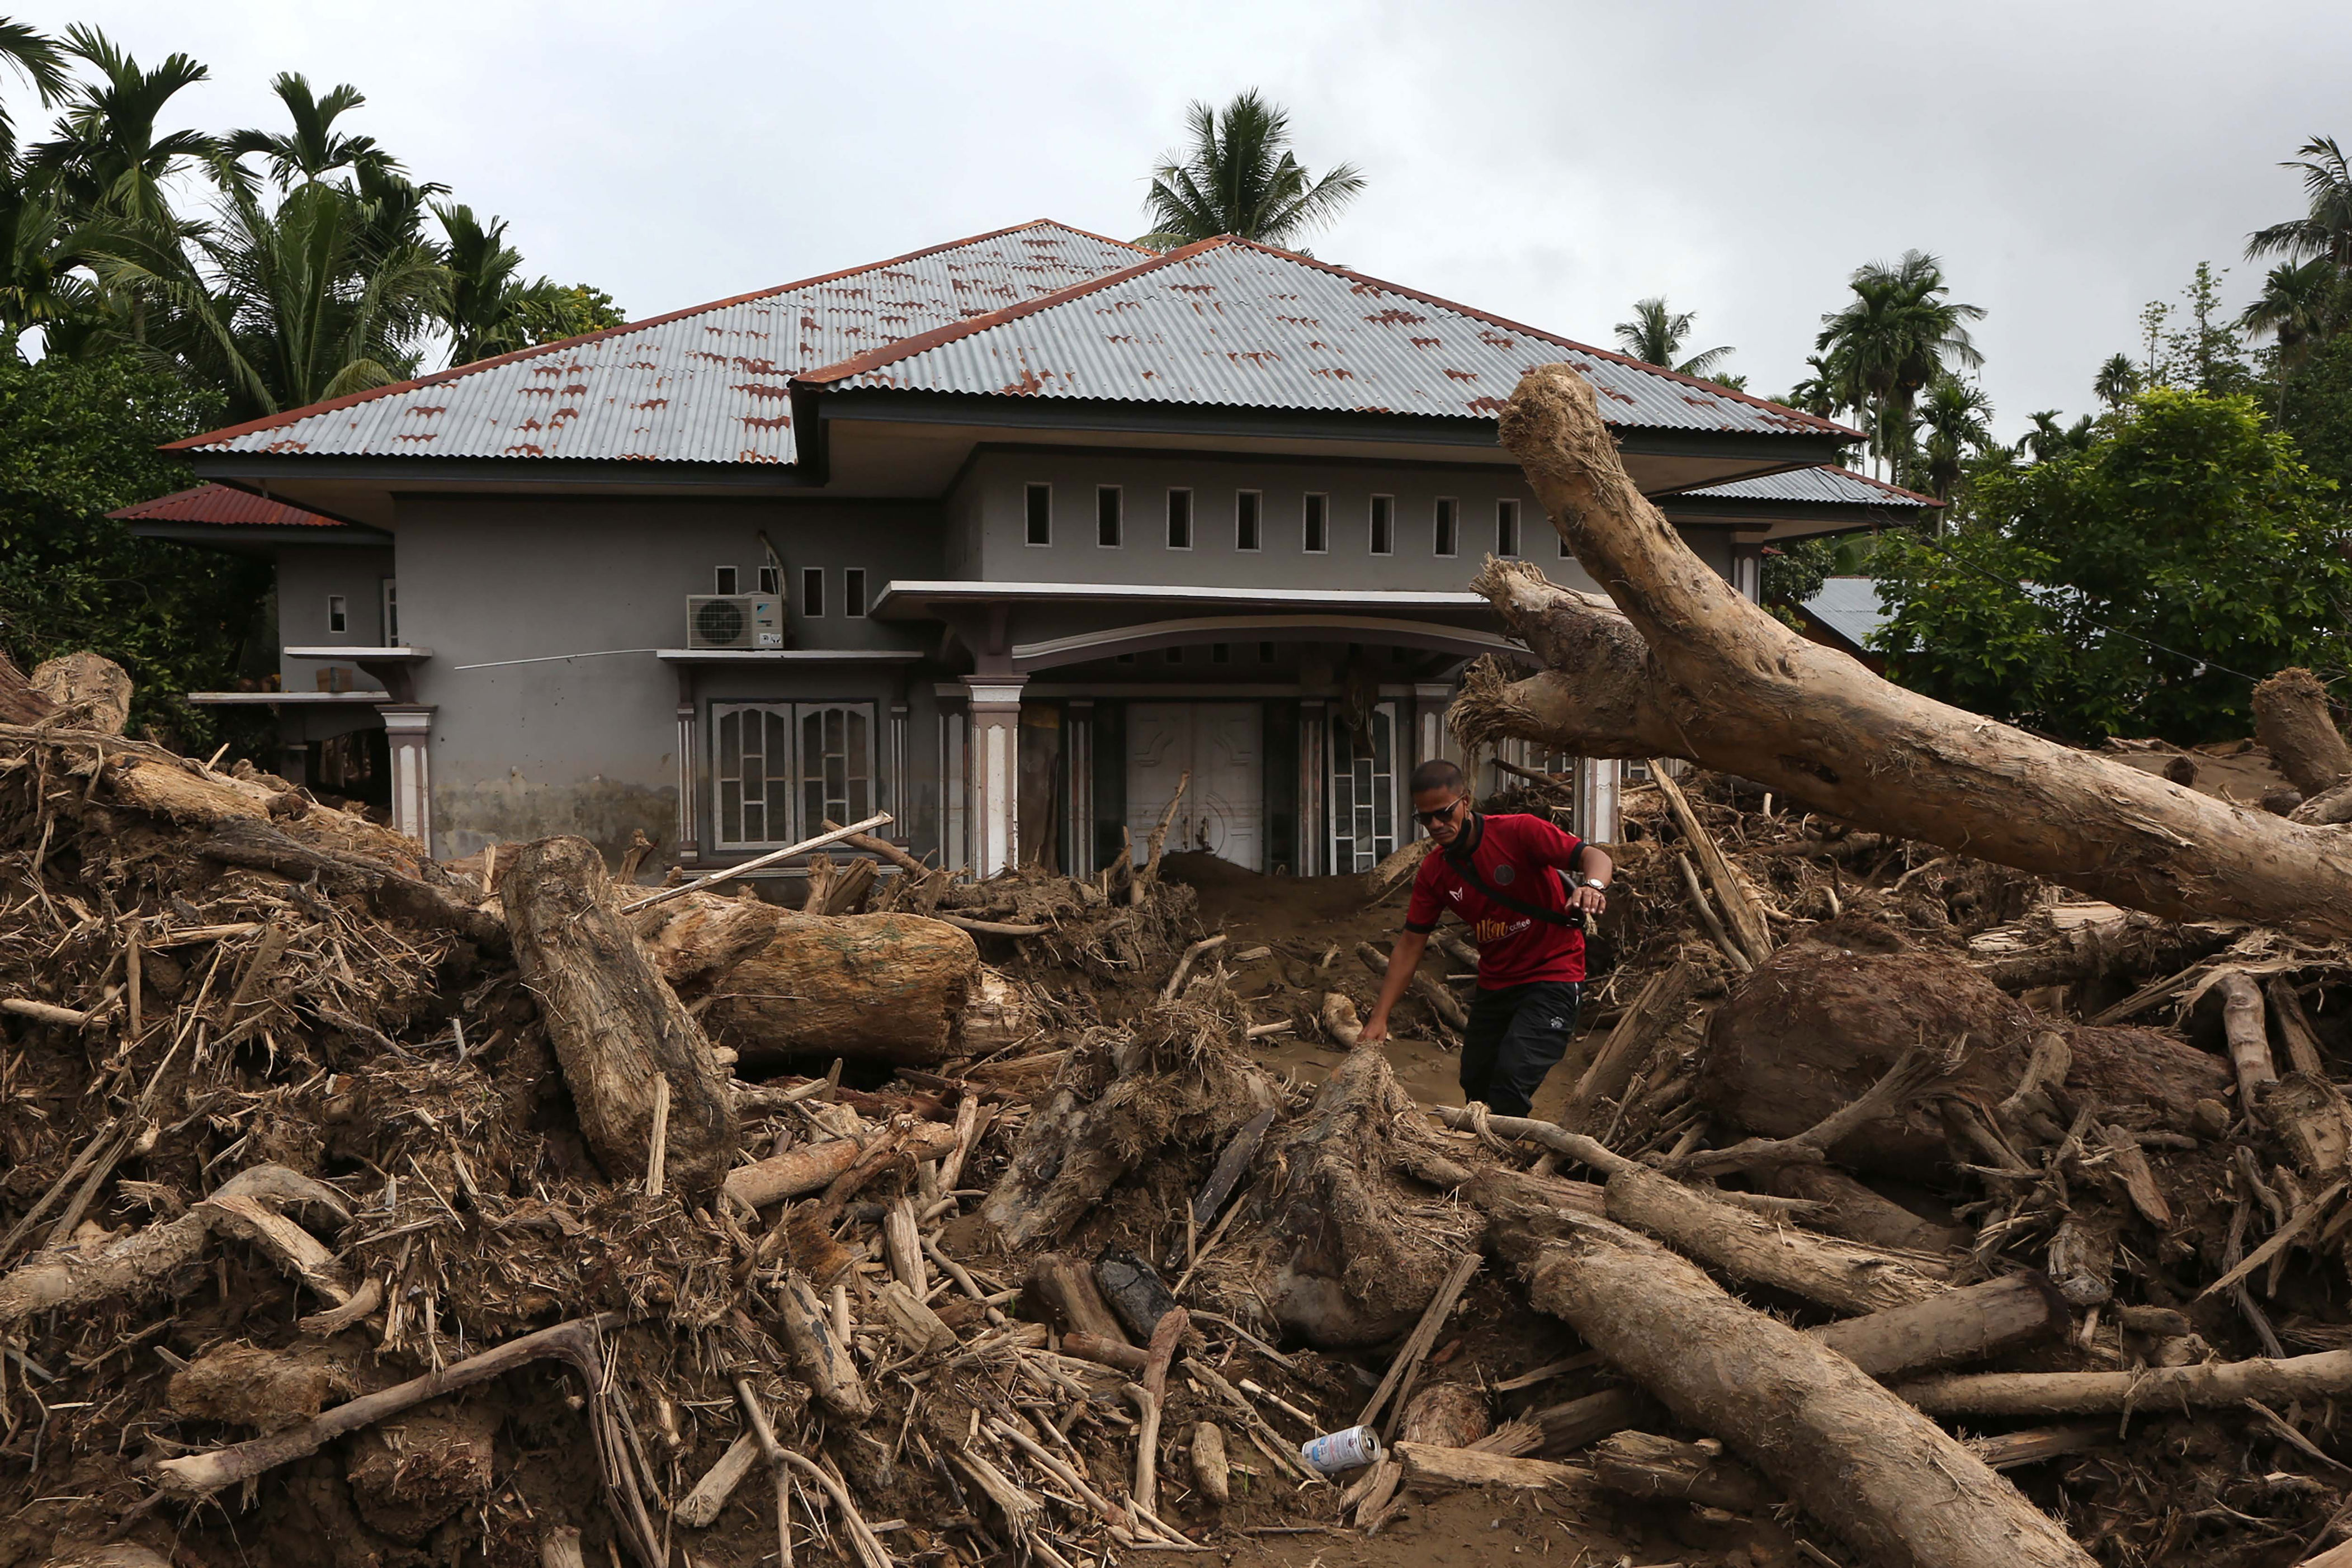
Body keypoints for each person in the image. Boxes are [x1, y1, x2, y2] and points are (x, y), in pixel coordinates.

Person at [1359, 758, 1613, 1118]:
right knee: (1476, 1082)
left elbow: (1594, 856)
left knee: (1511, 1080)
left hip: (1552, 975)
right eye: (1425, 818)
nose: (1435, 825)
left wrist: (1593, 886)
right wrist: (1379, 1018)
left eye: (1443, 813)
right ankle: (1489, 1156)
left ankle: (1505, 1164)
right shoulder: (1435, 871)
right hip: (1496, 984)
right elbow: (1410, 944)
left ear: (1465, 801)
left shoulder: (1519, 832)